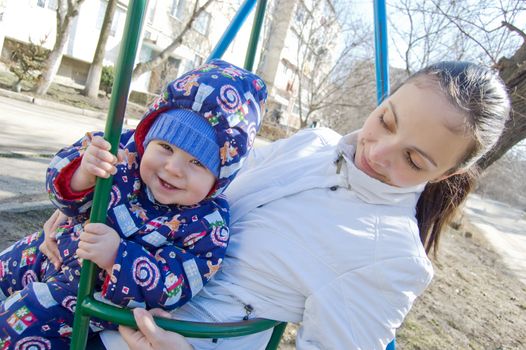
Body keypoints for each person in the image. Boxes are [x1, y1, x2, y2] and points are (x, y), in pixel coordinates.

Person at [67, 61, 510, 349]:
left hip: (144, 336)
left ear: (445, 175)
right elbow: (200, 177)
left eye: (414, 160)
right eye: (386, 120)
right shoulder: (313, 144)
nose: (377, 153)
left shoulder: (388, 257)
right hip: (100, 285)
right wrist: (92, 191)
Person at [0, 59, 267, 349]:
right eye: (165, 147)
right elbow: (61, 187)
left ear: (220, 177)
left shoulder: (207, 225)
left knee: (16, 328)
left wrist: (117, 256)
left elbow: (175, 284)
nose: (173, 168)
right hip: (41, 251)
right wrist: (82, 174)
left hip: (78, 294)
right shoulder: (121, 153)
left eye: (197, 163)